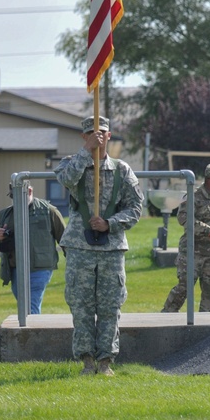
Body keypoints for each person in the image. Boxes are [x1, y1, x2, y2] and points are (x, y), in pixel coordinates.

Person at [54, 115, 143, 376]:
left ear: (110, 135)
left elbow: (135, 208)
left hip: (111, 247)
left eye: (102, 132)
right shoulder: (72, 163)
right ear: (84, 137)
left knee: (110, 305)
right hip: (79, 247)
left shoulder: (122, 170)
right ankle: (86, 360)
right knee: (80, 305)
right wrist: (86, 152)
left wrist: (110, 223)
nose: (98, 136)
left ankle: (105, 361)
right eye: (92, 133)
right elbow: (67, 180)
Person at [161, 164, 210, 313]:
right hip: (192, 252)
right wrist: (208, 230)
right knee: (184, 287)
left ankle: (206, 323)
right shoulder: (193, 196)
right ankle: (166, 316)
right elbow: (183, 218)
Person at [0, 183, 66, 314]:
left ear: (29, 191)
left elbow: (65, 238)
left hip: (40, 268)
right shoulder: (5, 214)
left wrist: (74, 262)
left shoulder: (49, 211)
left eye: (18, 196)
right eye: (12, 196)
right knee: (24, 304)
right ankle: (32, 330)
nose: (15, 200)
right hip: (15, 268)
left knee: (30, 305)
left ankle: (32, 332)